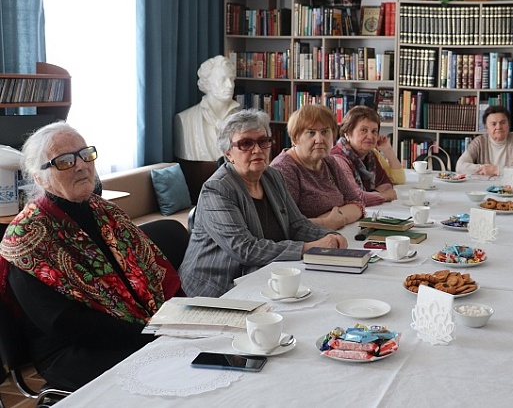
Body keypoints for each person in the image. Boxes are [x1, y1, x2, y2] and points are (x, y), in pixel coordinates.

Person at [0, 122, 182, 391]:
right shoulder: (26, 238)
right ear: (39, 178)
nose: (81, 165)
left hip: (139, 327)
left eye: (85, 154)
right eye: (64, 161)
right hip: (71, 351)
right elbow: (64, 324)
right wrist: (149, 334)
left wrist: (178, 319)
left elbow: (152, 271)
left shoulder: (107, 213)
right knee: (171, 370)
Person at [179, 110, 346, 297]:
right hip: (216, 290)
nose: (257, 150)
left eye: (263, 141)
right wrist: (309, 247)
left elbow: (296, 224)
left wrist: (331, 236)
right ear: (228, 153)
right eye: (246, 144)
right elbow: (245, 249)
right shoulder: (217, 189)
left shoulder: (272, 176)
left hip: (263, 277)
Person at [270, 105, 365, 230]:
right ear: (295, 138)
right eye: (311, 132)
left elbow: (357, 203)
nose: (319, 140)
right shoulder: (284, 169)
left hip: (338, 235)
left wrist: (337, 218)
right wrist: (326, 222)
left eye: (325, 131)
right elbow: (283, 224)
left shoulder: (328, 161)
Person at [174, 55, 241, 161]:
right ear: (207, 83)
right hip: (199, 174)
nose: (230, 85)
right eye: (222, 80)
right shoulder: (186, 120)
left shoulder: (242, 119)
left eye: (231, 79)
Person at [331, 106, 398, 206]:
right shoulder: (338, 159)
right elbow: (357, 197)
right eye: (363, 130)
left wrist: (371, 195)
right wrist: (385, 196)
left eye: (374, 131)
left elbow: (386, 184)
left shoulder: (370, 156)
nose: (370, 136)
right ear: (347, 134)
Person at [455, 105, 513, 176]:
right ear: (486, 126)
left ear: (508, 124)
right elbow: (459, 166)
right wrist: (483, 168)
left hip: (509, 186)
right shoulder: (479, 141)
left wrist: (496, 170)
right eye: (493, 124)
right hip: (482, 187)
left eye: (503, 122)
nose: (499, 127)